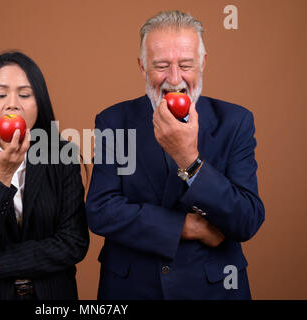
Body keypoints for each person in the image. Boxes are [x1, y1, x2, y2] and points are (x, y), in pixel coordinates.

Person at [86, 10, 265, 299]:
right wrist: (184, 227)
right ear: (142, 66)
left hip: (214, 290)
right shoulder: (112, 122)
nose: (174, 78)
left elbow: (246, 219)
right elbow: (101, 211)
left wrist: (190, 160)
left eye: (185, 64)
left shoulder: (235, 121)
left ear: (202, 64)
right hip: (132, 290)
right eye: (160, 65)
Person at [0, 51, 89, 300]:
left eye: (24, 94)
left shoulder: (63, 156)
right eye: (0, 94)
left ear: (38, 102)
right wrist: (1, 175)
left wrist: (0, 263)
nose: (12, 104)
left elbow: (73, 242)